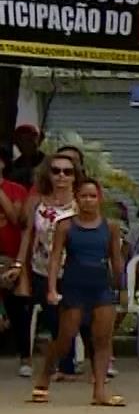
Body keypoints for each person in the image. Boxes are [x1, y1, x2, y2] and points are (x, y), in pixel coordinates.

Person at [28, 177, 125, 406]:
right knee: (65, 339)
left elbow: (116, 260)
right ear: (76, 198)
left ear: (99, 198)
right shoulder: (65, 225)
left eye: (93, 196)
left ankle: (99, 390)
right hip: (74, 287)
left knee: (101, 340)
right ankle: (44, 377)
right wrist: (52, 289)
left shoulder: (110, 226)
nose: (89, 200)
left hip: (101, 286)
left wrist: (122, 290)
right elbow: (54, 260)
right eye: (84, 196)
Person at [12, 147, 81, 380]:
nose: (62, 176)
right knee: (53, 318)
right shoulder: (37, 202)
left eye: (67, 172)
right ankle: (63, 364)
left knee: (73, 316)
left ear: (75, 175)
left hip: (73, 267)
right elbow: (27, 233)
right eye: (56, 171)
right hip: (42, 266)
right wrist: (19, 265)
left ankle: (72, 364)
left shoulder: (81, 202)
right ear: (48, 174)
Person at [0, 164, 29, 370]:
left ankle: (25, 357)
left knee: (17, 308)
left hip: (11, 255)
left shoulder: (16, 190)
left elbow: (16, 219)